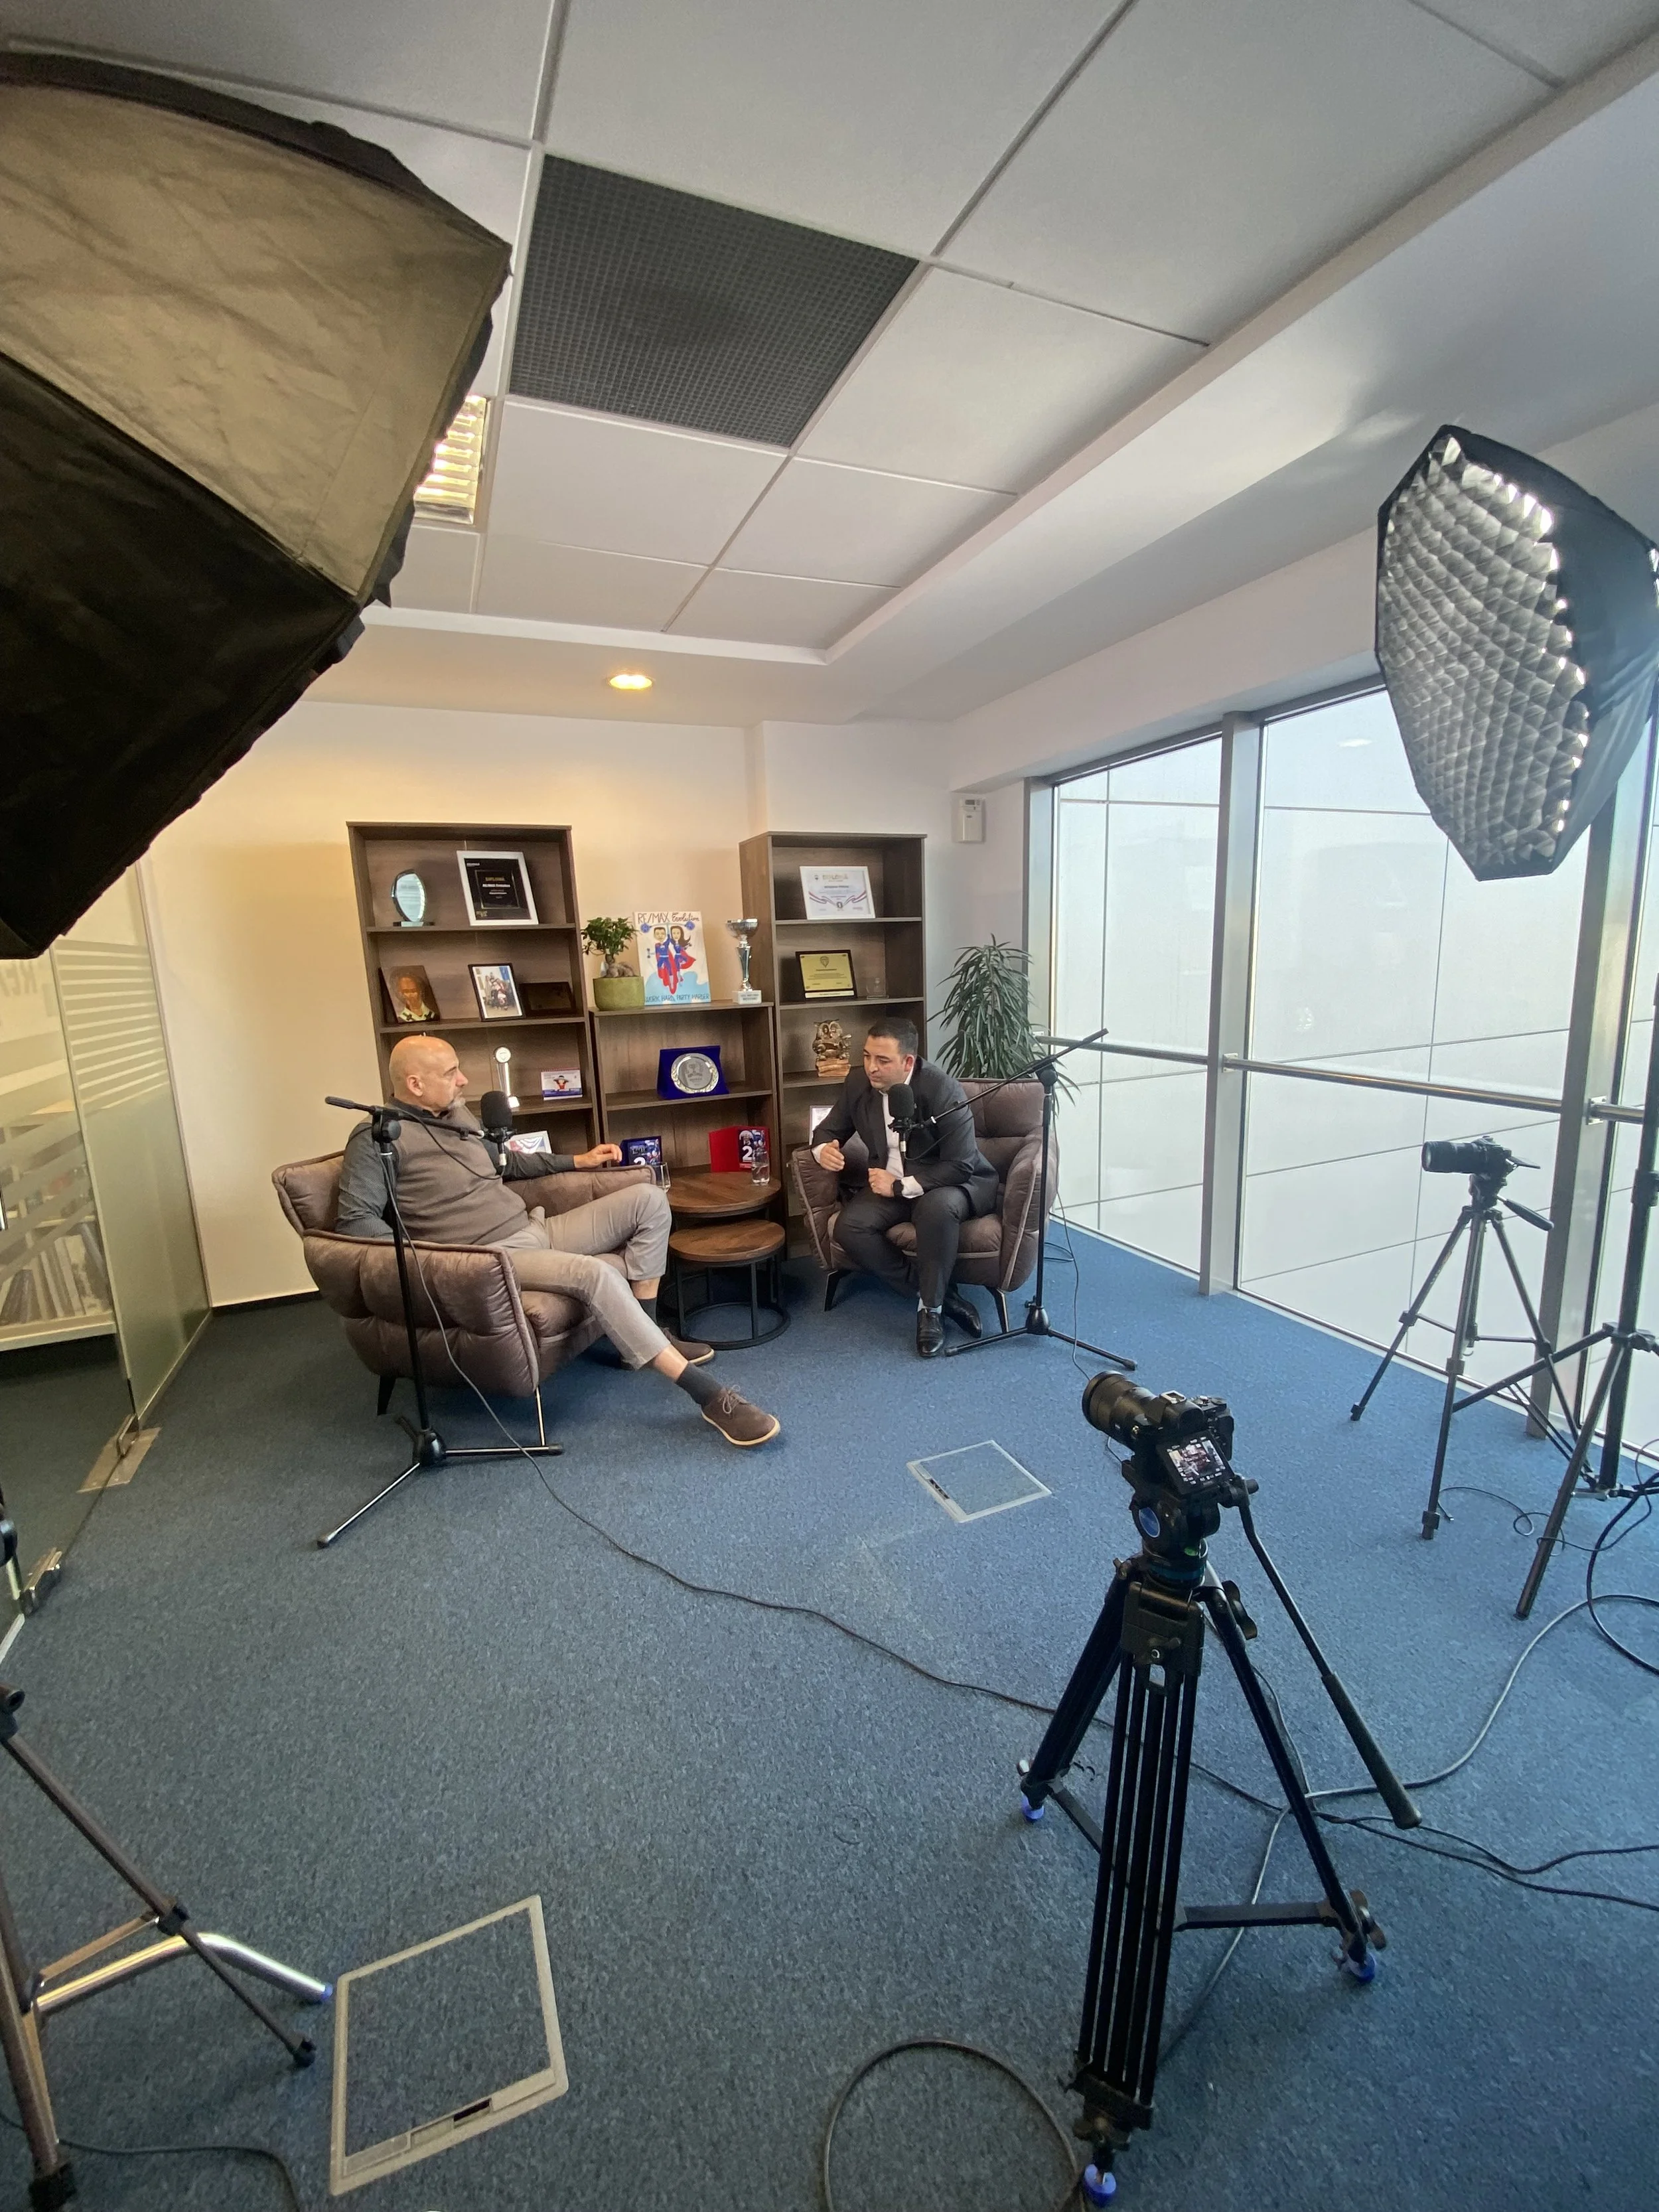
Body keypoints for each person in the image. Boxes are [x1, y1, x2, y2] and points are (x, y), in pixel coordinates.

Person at [336, 1035, 779, 1447]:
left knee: (649, 1200)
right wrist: (433, 1262)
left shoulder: (456, 1116)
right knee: (597, 1272)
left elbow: (507, 1164)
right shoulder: (377, 1138)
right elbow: (357, 1223)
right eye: (452, 1072)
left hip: (535, 1229)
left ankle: (644, 1332)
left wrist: (578, 1160)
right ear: (414, 1084)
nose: (464, 1079)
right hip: (488, 1256)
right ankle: (707, 1396)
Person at [810, 1016, 997, 1357]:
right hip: (890, 1182)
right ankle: (938, 1295)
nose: (871, 1068)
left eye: (883, 1061)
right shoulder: (858, 1083)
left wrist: (900, 1187)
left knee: (935, 1209)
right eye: (867, 1056)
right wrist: (824, 1150)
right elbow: (827, 1130)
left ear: (908, 1061)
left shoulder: (941, 1089)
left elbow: (960, 1164)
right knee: (850, 1228)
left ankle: (931, 1314)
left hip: (949, 1181)